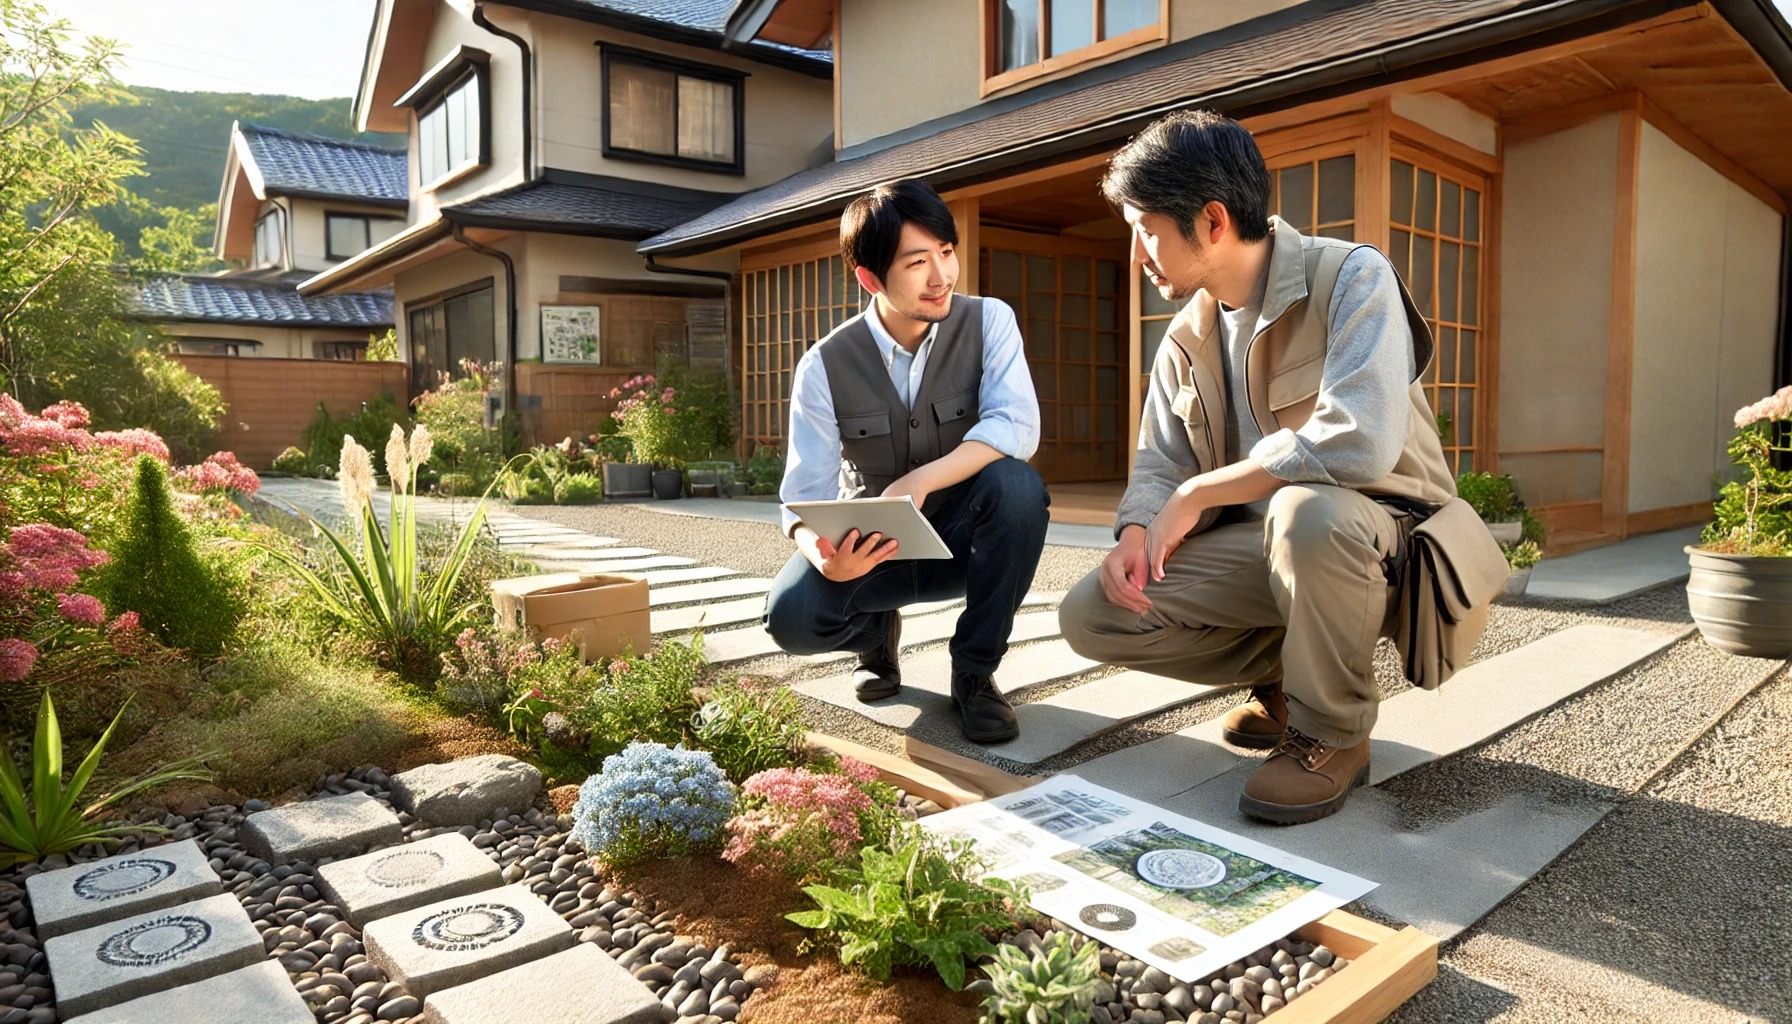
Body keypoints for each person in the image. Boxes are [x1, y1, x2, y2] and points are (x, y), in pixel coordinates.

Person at [1058, 110, 1456, 823]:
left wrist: (1200, 491)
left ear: (1212, 221)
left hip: (1386, 543)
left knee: (1305, 512)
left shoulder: (1352, 277)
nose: (1137, 252)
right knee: (1094, 614)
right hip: (1275, 550)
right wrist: (1137, 531)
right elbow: (1158, 462)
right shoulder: (1185, 337)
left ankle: (1333, 733)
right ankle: (1284, 681)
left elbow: (1360, 441)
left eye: (1146, 229)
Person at [763, 179, 1049, 744]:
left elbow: (1016, 425)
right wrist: (825, 557)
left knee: (1018, 487)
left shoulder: (990, 320)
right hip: (872, 551)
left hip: (966, 541)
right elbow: (801, 498)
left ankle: (974, 672)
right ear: (870, 278)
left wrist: (921, 480)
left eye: (947, 252)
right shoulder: (822, 366)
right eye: (917, 262)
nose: (941, 276)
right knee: (791, 618)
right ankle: (874, 637)